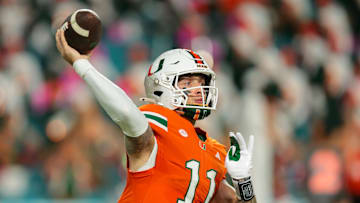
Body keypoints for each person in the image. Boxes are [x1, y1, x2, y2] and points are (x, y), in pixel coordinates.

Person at [55, 28, 257, 203]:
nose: (198, 90)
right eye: (187, 83)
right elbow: (128, 115)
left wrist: (242, 180)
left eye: (200, 83)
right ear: (161, 87)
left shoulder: (213, 151)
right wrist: (82, 65)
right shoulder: (158, 122)